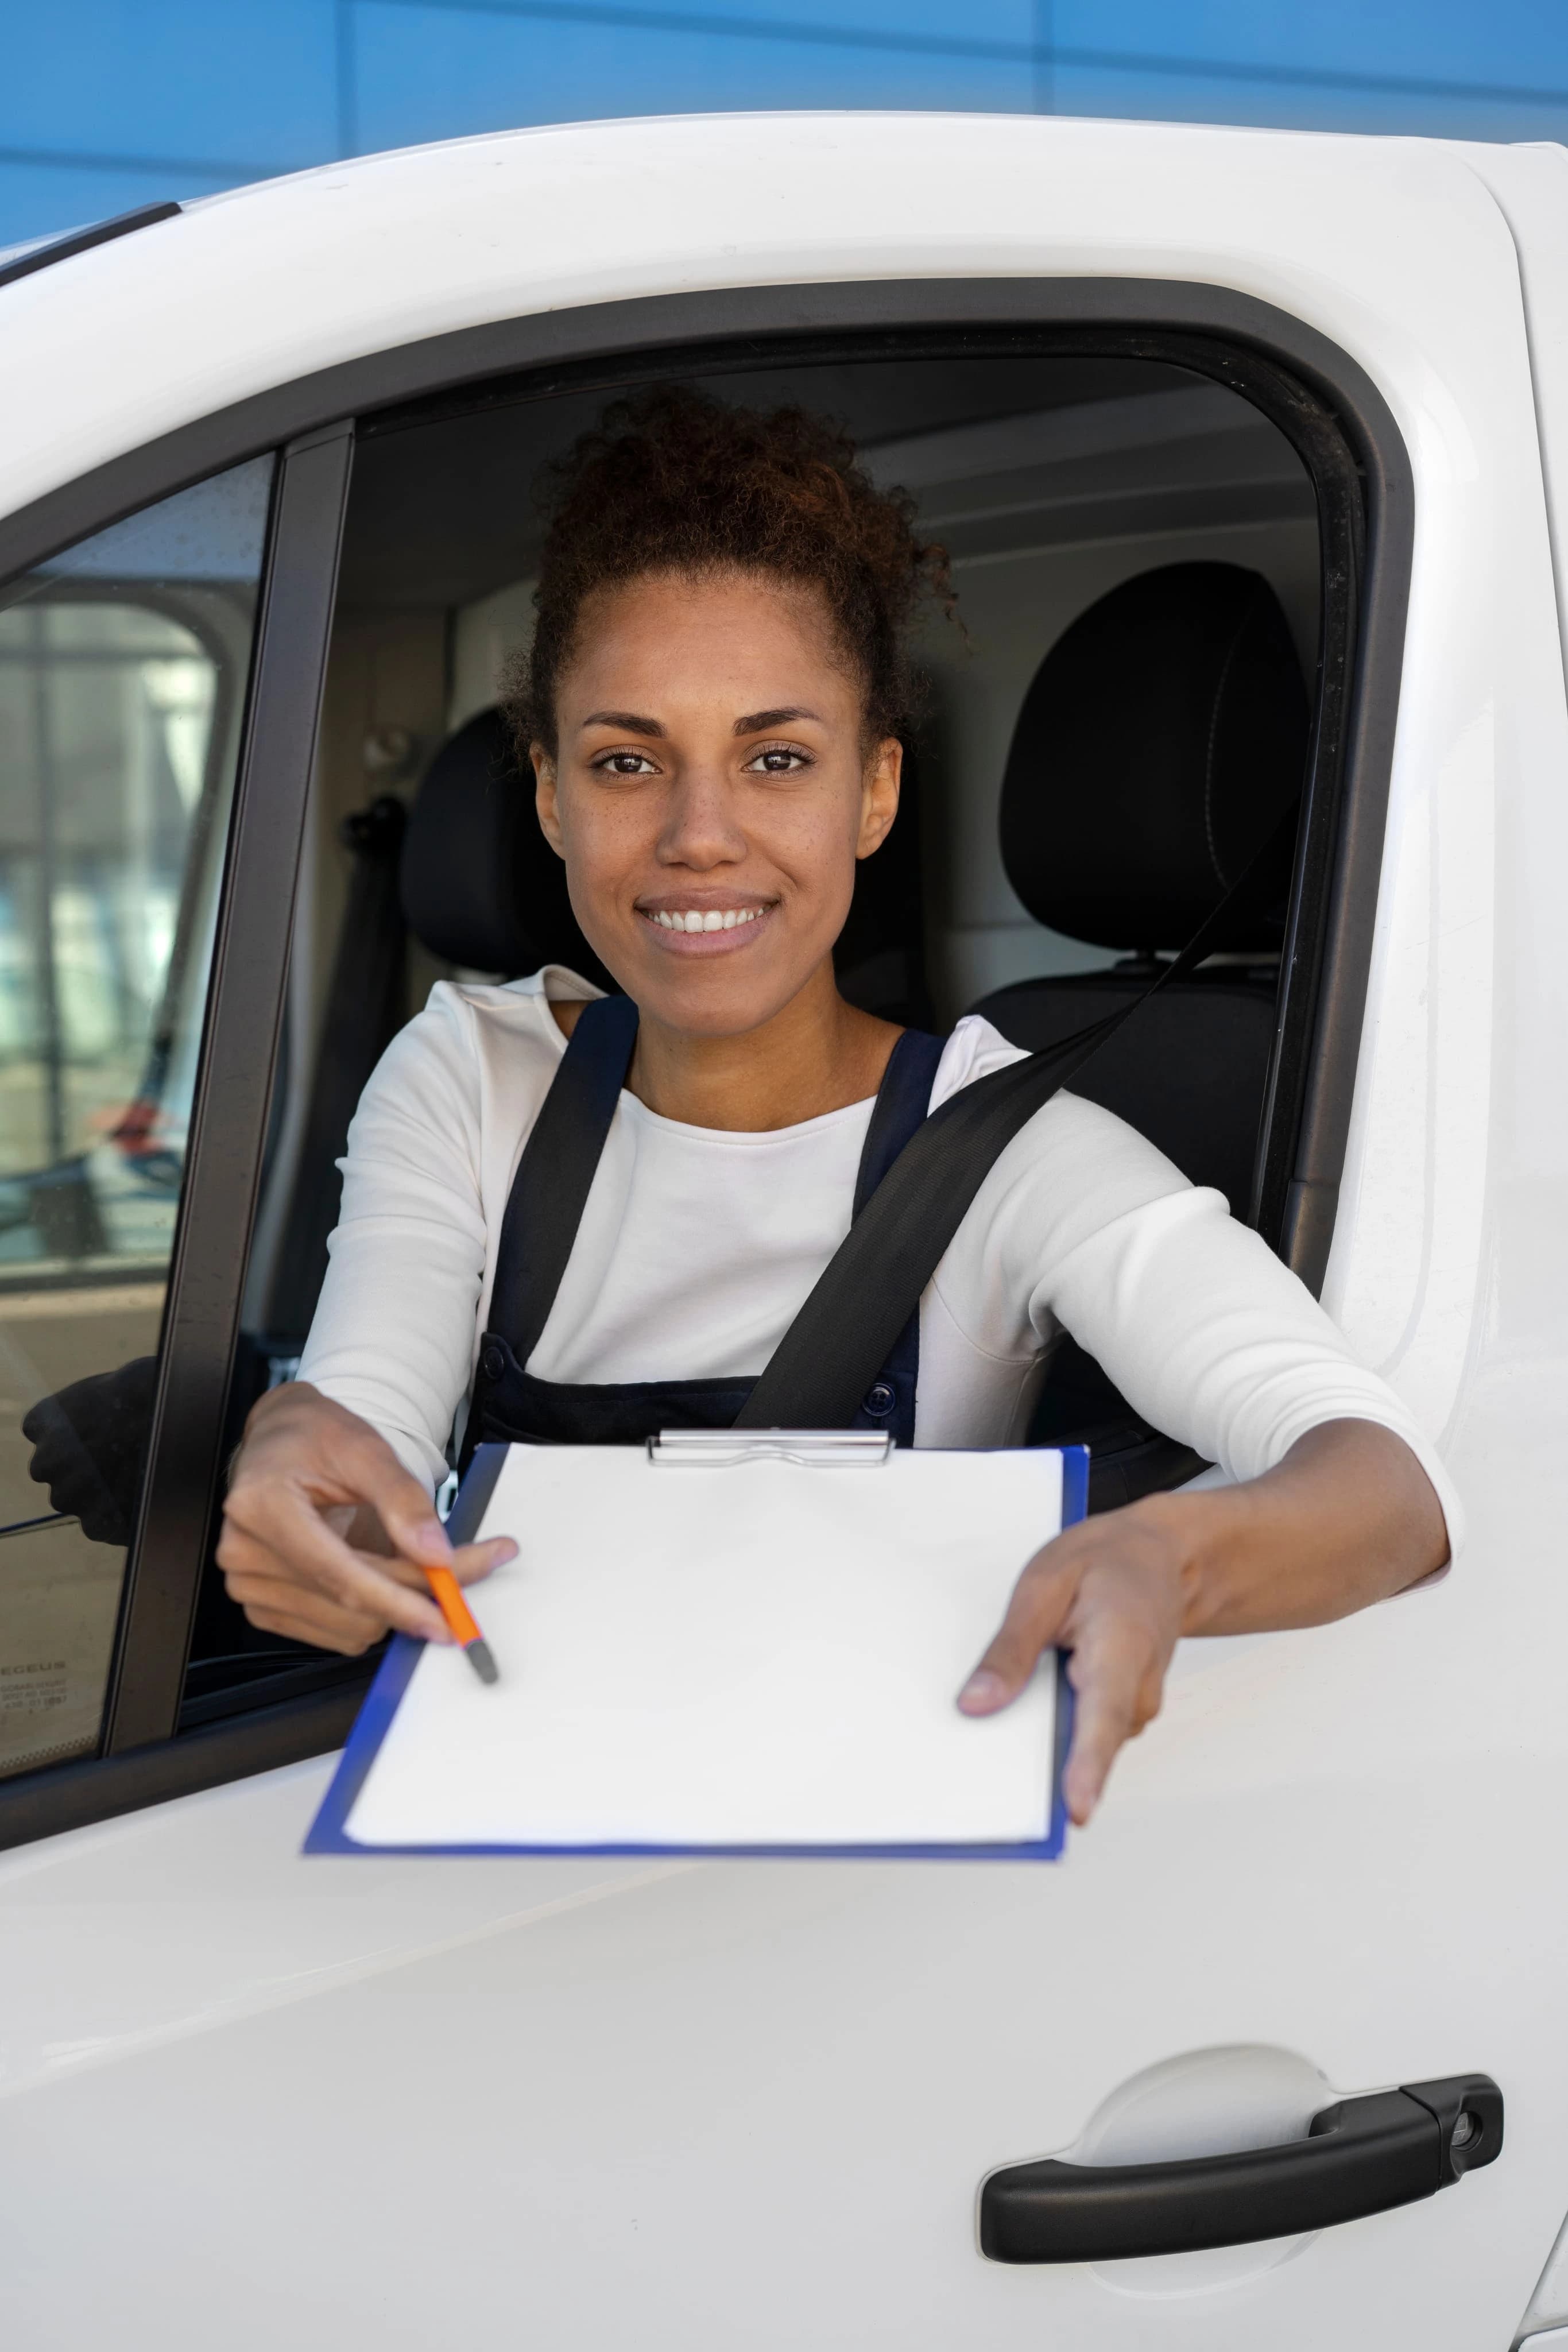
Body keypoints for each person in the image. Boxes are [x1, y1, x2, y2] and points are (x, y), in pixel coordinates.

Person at [219, 388, 1457, 1827]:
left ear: (872, 793)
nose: (698, 834)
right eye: (627, 760)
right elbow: (365, 1402)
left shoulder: (1005, 1148)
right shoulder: (467, 1073)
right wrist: (289, 1454)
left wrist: (1169, 1556)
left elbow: (1385, 1485)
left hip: (867, 1897)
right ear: (549, 793)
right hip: (498, 1833)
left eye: (776, 757)